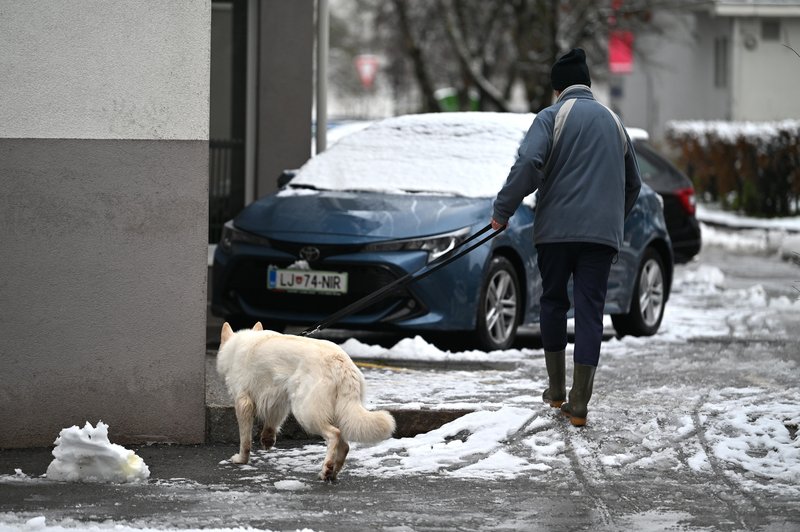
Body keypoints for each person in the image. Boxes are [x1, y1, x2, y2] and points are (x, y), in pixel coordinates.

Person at [490, 48, 641, 427]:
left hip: (555, 234)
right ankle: (580, 404)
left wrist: (502, 211)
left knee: (555, 303)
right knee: (591, 311)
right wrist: (611, 222)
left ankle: (556, 391)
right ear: (588, 84)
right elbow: (633, 184)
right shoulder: (614, 121)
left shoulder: (552, 117)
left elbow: (528, 163)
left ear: (558, 89)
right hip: (600, 239)